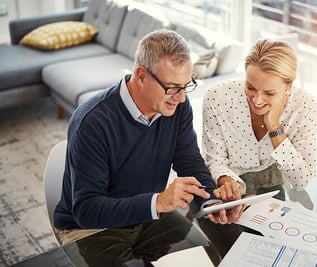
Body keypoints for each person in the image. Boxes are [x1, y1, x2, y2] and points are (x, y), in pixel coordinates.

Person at [53, 29, 244, 246]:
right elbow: (86, 210)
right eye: (172, 88)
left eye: (186, 86)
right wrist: (158, 202)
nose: (181, 98)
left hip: (148, 215)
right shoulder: (92, 122)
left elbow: (189, 161)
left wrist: (213, 201)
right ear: (142, 76)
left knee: (208, 256)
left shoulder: (177, 107)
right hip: (92, 228)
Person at [202, 39, 317, 200]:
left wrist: (274, 126)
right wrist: (227, 182)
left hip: (271, 179)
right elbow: (214, 160)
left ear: (289, 86)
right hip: (227, 178)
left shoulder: (304, 105)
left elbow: (301, 181)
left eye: (269, 93)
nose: (257, 100)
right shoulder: (217, 98)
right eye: (250, 87)